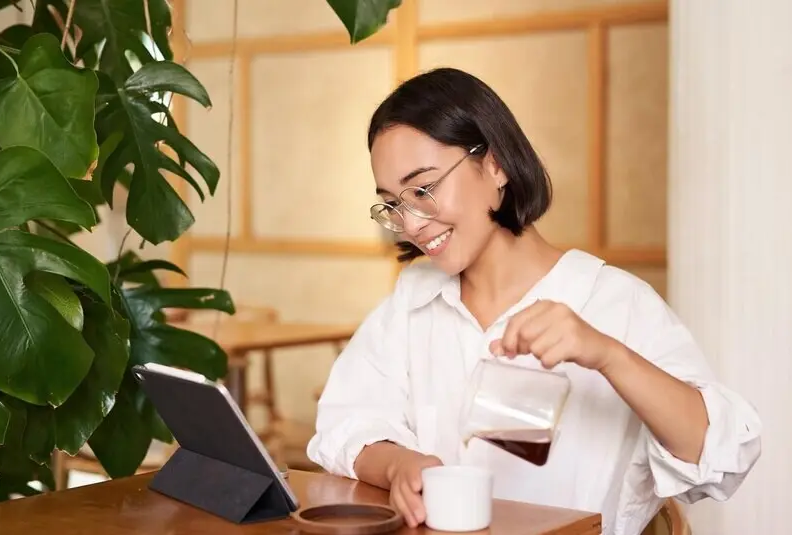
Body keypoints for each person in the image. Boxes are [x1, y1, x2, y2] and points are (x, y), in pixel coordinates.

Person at [305, 67, 762, 535]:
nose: (414, 223)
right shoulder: (413, 301)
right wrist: (398, 464)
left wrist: (608, 355)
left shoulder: (613, 302)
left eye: (424, 189)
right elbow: (345, 425)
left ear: (495, 164)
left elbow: (723, 458)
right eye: (394, 204)